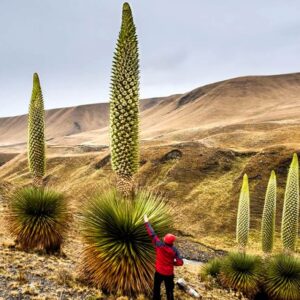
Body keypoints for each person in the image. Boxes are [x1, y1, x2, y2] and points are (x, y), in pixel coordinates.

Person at [144, 214, 184, 300]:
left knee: (156, 288)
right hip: (169, 274)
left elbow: (152, 234)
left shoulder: (159, 245)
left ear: (165, 240)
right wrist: (173, 262)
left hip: (159, 272)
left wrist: (146, 222)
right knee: (169, 290)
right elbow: (180, 262)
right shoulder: (174, 250)